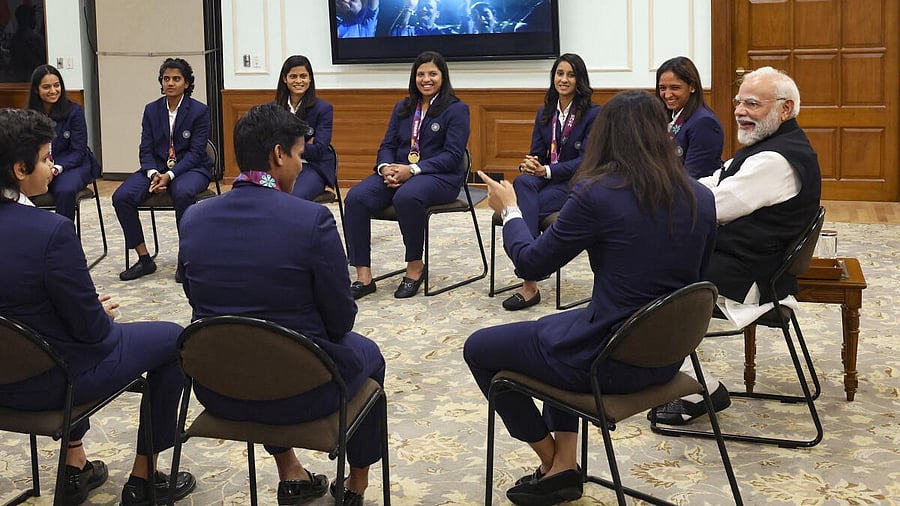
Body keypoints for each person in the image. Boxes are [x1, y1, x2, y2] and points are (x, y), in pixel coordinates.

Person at [464, 90, 717, 505]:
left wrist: (510, 209)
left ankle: (550, 460)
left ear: (606, 137)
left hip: (608, 362)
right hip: (669, 356)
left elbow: (531, 264)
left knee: (480, 348)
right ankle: (564, 463)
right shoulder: (702, 198)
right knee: (552, 328)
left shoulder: (597, 194)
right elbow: (698, 280)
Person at [177, 104, 386, 506]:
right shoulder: (312, 219)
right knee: (369, 355)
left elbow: (196, 300)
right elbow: (342, 318)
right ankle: (355, 485)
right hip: (303, 390)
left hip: (217, 387)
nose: (300, 167)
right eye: (299, 157)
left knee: (252, 342)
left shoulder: (193, 218)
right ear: (278, 155)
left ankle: (290, 470)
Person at [0, 108, 194, 506]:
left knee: (51, 327)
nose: (52, 167)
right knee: (174, 340)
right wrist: (96, 311)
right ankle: (145, 478)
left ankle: (76, 466)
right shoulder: (50, 230)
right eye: (45, 158)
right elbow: (95, 336)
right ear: (20, 169)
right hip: (51, 385)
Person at [650, 66, 822, 425]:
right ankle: (668, 374)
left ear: (785, 109)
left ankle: (700, 388)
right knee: (653, 262)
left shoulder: (775, 160)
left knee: (646, 279)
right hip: (745, 258)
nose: (741, 111)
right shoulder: (769, 146)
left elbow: (713, 207)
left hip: (752, 275)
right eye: (738, 102)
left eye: (753, 104)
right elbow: (715, 179)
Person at [343, 51, 470, 300]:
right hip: (398, 173)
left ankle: (414, 268)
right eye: (421, 74)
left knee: (406, 197)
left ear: (443, 77)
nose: (426, 79)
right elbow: (387, 144)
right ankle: (363, 276)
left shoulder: (456, 109)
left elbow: (453, 156)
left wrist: (411, 170)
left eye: (432, 74)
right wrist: (386, 168)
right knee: (356, 198)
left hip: (440, 177)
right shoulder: (403, 107)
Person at [501, 53, 601, 311]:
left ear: (580, 80)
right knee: (522, 183)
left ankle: (529, 281)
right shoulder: (545, 112)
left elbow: (586, 161)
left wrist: (545, 170)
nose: (564, 79)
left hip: (574, 183)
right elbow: (537, 151)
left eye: (570, 74)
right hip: (546, 178)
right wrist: (531, 164)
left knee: (523, 209)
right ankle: (532, 260)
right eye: (559, 74)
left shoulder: (593, 114)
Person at [112, 58, 211, 282]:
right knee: (122, 197)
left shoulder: (199, 111)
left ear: (186, 83)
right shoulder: (151, 110)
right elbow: (145, 149)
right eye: (166, 79)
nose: (170, 83)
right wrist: (153, 174)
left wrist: (170, 175)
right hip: (155, 169)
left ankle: (186, 259)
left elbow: (196, 153)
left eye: (176, 79)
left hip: (191, 169)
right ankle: (144, 259)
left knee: (183, 193)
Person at [26, 64, 101, 220]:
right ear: (36, 89)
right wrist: (40, 168)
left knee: (65, 190)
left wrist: (56, 169)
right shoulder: (28, 115)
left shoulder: (75, 111)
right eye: (46, 87)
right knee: (21, 188)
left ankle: (63, 236)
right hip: (40, 165)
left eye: (57, 85)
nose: (53, 91)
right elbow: (26, 148)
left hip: (72, 166)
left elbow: (78, 151)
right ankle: (33, 234)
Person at [273, 55, 336, 201]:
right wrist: (303, 144)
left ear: (310, 79)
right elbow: (266, 144)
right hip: (279, 166)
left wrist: (284, 145)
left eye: (303, 76)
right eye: (293, 76)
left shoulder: (323, 109)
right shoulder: (273, 108)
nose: (299, 81)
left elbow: (319, 150)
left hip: (311, 167)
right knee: (261, 194)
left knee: (291, 198)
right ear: (285, 79)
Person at [655, 56, 724, 179]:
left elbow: (695, 174)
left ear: (692, 87)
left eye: (675, 88)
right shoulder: (670, 117)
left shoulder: (704, 122)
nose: (667, 94)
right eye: (662, 88)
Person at [390, 0, 456, 36]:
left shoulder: (445, 32)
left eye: (429, 7)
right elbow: (397, 32)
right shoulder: (409, 31)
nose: (423, 9)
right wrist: (409, 8)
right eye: (421, 7)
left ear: (437, 14)